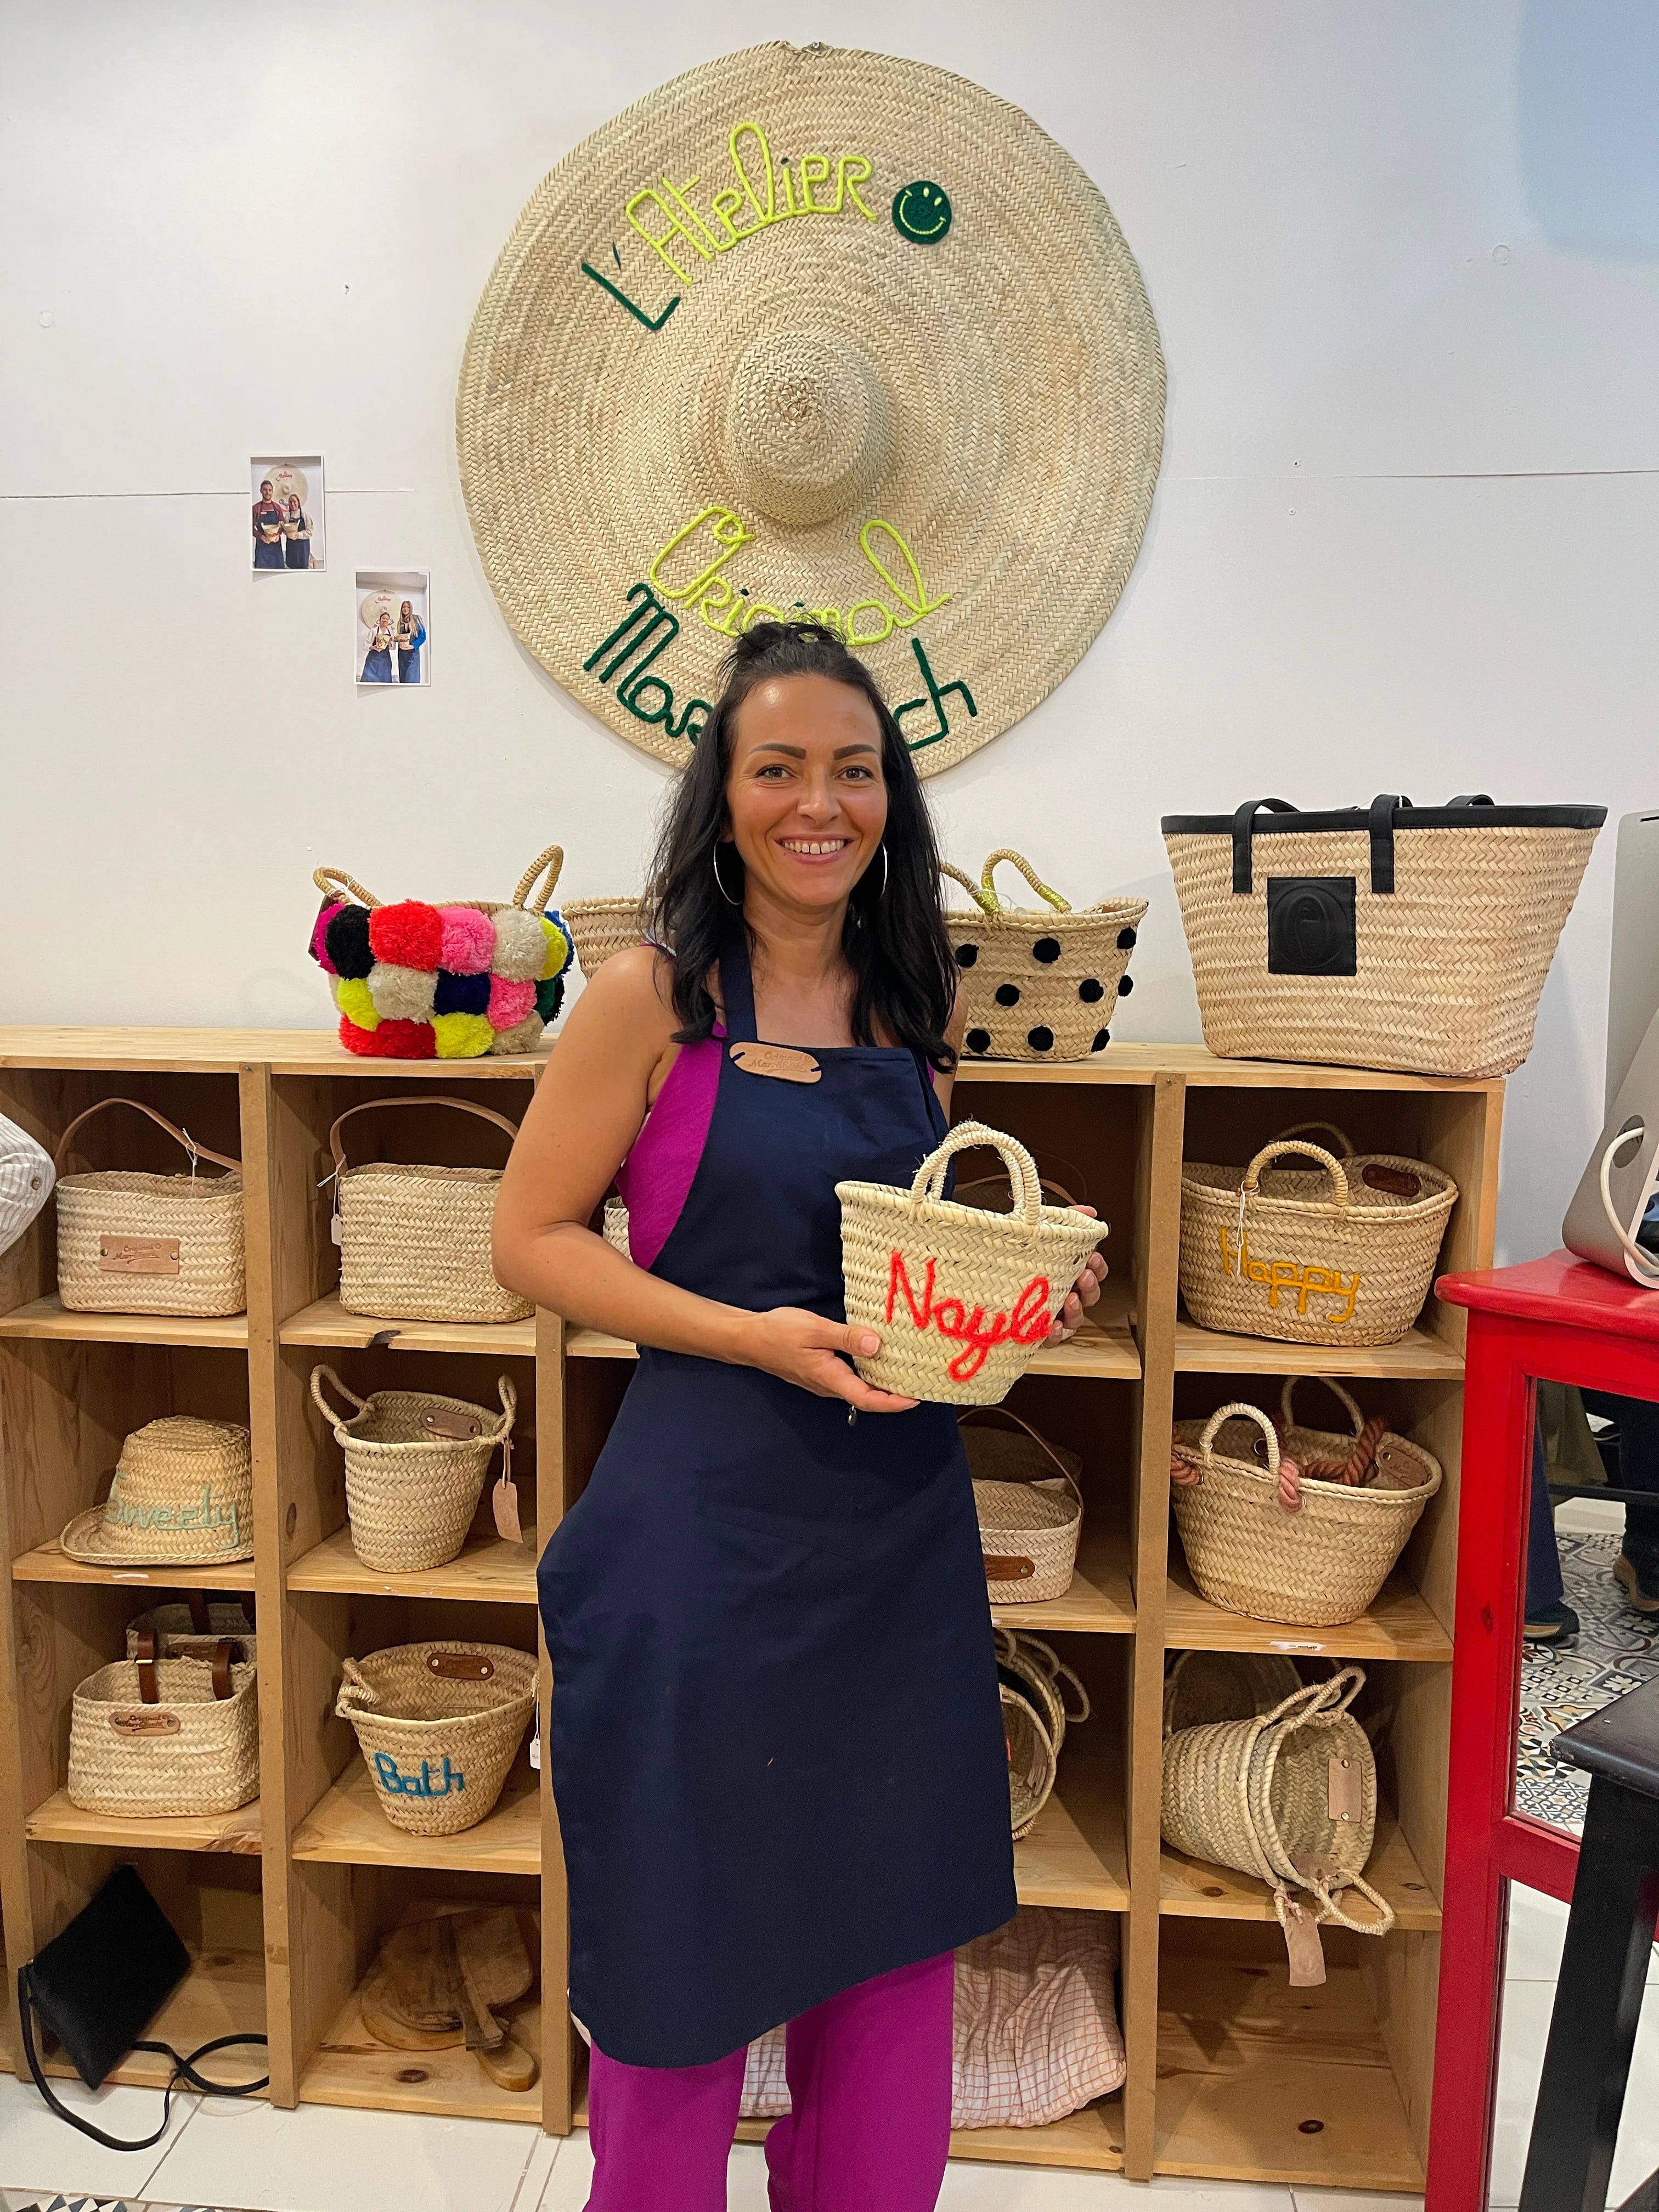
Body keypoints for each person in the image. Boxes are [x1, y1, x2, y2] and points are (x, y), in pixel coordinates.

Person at [493, 622, 1106, 2211]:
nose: (817, 802)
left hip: (891, 1541)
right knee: (681, 1955)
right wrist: (749, 1341)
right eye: (779, 768)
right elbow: (532, 1239)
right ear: (725, 793)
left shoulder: (915, 1008)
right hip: (699, 1540)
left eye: (854, 768)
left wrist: (1026, 1292)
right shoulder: (650, 1000)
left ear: (890, 794)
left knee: (889, 1943)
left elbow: (916, 1268)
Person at [252, 478, 285, 568]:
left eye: (270, 490)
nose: (268, 492)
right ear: (261, 491)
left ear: (273, 491)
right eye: (265, 490)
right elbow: (251, 529)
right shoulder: (256, 508)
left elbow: (282, 526)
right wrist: (261, 536)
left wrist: (278, 535)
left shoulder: (277, 508)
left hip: (276, 547)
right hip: (262, 547)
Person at [359, 610, 394, 684]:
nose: (385, 620)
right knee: (369, 680)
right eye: (383, 618)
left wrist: (390, 643)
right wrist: (373, 647)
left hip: (385, 660)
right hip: (373, 659)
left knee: (385, 681)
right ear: (380, 620)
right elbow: (366, 644)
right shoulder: (374, 630)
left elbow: (393, 647)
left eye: (387, 619)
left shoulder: (390, 632)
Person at [396, 598, 425, 684]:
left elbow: (422, 636)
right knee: (403, 679)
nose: (406, 609)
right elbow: (401, 637)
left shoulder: (416, 619)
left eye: (408, 607)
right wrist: (396, 639)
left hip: (413, 655)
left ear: (411, 609)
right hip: (402, 655)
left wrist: (413, 646)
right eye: (404, 607)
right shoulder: (400, 622)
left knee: (412, 679)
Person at [282, 493, 312, 569]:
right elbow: (285, 530)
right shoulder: (287, 517)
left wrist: (298, 535)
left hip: (303, 548)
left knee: (303, 569)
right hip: (291, 547)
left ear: (298, 502)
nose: (293, 504)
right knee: (292, 568)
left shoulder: (305, 516)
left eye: (294, 501)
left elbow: (310, 531)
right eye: (290, 502)